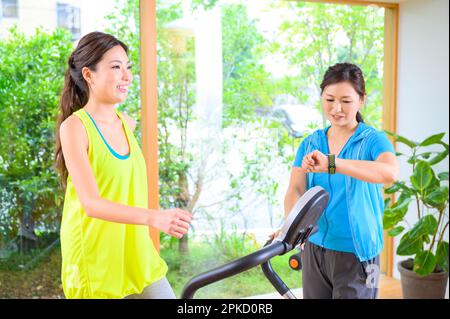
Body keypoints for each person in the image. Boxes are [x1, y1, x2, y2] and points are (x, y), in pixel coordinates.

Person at [54, 31, 192, 299]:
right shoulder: (75, 127)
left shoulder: (127, 123)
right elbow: (91, 204)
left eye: (127, 68)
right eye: (116, 67)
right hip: (95, 260)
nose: (127, 76)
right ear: (89, 75)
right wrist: (156, 217)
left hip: (136, 252)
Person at [271, 63, 399, 299]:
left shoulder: (372, 140)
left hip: (358, 253)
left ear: (361, 100)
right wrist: (292, 227)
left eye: (346, 101)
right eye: (329, 99)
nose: (336, 108)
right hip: (315, 248)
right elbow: (295, 189)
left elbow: (389, 172)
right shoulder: (310, 143)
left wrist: (332, 163)